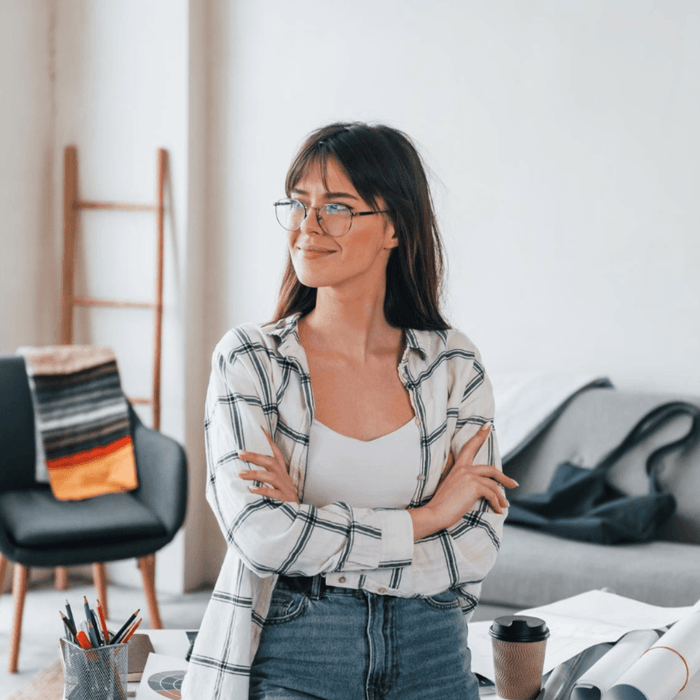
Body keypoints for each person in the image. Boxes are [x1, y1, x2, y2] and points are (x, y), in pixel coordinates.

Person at [181, 122, 517, 700]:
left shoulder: (454, 364)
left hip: (431, 648)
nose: (306, 227)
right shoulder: (251, 361)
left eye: (336, 207)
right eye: (298, 204)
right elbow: (259, 535)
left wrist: (310, 529)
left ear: (393, 227)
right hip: (297, 649)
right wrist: (427, 518)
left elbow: (478, 542)